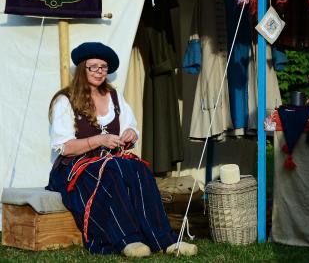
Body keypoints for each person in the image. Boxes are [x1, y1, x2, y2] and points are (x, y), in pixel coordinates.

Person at [46, 42, 197, 257]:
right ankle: (128, 240)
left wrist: (130, 135)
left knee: (140, 169)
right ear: (82, 68)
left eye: (104, 67)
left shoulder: (114, 97)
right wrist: (99, 140)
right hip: (74, 167)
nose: (99, 72)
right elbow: (66, 148)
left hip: (111, 161)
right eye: (94, 67)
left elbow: (130, 128)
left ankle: (165, 239)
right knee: (111, 172)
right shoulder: (65, 100)